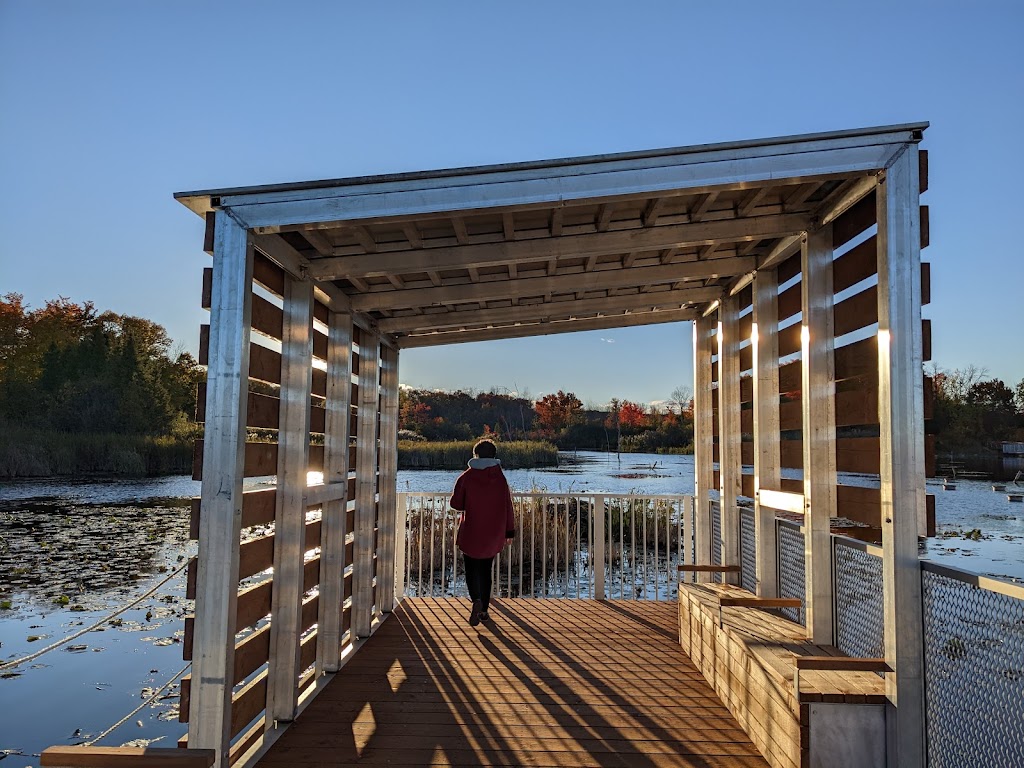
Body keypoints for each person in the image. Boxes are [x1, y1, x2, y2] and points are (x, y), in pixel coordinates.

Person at [450, 439, 515, 626]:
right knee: (486, 571)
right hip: (493, 532)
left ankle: (476, 600)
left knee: (471, 569)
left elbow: (456, 504)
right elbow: (507, 506)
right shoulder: (500, 478)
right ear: (494, 455)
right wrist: (509, 531)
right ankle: (484, 611)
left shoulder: (467, 477)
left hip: (472, 529)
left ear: (475, 455)